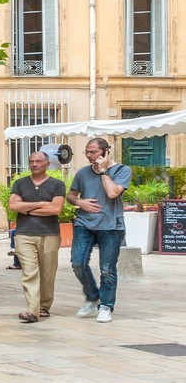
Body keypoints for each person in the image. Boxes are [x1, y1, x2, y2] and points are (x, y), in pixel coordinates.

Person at [68, 136, 131, 323]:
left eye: (93, 152)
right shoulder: (82, 173)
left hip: (111, 225)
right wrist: (80, 202)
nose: (88, 155)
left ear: (105, 151)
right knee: (77, 262)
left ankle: (106, 306)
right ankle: (92, 295)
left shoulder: (122, 170)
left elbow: (112, 193)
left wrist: (104, 172)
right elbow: (71, 196)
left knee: (107, 269)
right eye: (86, 152)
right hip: (84, 223)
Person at [8, 151, 67, 324]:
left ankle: (44, 306)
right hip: (24, 233)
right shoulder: (20, 183)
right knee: (29, 272)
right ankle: (32, 310)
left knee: (47, 274)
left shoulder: (57, 184)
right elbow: (13, 205)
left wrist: (26, 209)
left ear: (47, 164)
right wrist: (41, 204)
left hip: (49, 234)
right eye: (31, 161)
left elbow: (56, 209)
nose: (34, 164)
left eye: (38, 161)